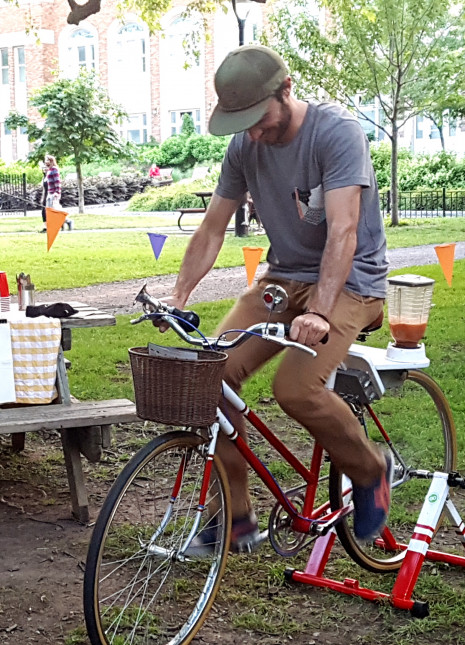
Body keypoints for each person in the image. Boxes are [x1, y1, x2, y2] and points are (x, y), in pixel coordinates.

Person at [164, 45, 391, 552]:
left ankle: (370, 470)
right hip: (284, 278)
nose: (253, 134)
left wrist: (320, 312)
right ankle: (235, 516)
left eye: (258, 119)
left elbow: (344, 231)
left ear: (286, 90)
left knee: (295, 389)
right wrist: (178, 296)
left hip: (352, 281)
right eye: (242, 124)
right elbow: (212, 227)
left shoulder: (336, 133)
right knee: (210, 377)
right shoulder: (245, 147)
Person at [39, 154, 71, 233]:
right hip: (49, 193)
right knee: (50, 211)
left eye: (47, 160)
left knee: (55, 210)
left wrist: (57, 192)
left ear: (51, 161)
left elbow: (57, 182)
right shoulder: (49, 170)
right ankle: (59, 225)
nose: (45, 162)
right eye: (45, 160)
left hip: (54, 194)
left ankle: (68, 221)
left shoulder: (54, 169)